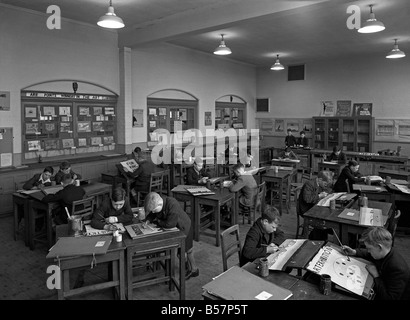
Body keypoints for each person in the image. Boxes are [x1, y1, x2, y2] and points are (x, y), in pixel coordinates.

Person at [343, 227, 410, 300]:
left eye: (369, 248)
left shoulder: (397, 268)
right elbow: (368, 254)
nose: (368, 251)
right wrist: (354, 252)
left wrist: (376, 276)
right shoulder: (386, 251)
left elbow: (389, 298)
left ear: (379, 247)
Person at [143, 192, 199, 280]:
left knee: (187, 250)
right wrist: (148, 220)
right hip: (177, 228)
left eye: (154, 210)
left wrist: (158, 221)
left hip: (184, 227)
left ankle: (194, 270)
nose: (153, 212)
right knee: (183, 252)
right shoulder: (158, 202)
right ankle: (187, 267)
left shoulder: (172, 204)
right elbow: (152, 214)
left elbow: (170, 224)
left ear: (160, 204)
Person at [297, 170, 334, 240]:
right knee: (323, 221)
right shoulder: (309, 184)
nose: (325, 186)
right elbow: (307, 199)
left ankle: (321, 238)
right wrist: (319, 196)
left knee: (326, 216)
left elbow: (323, 190)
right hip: (306, 210)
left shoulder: (318, 184)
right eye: (325, 184)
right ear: (320, 179)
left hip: (313, 207)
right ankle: (317, 238)